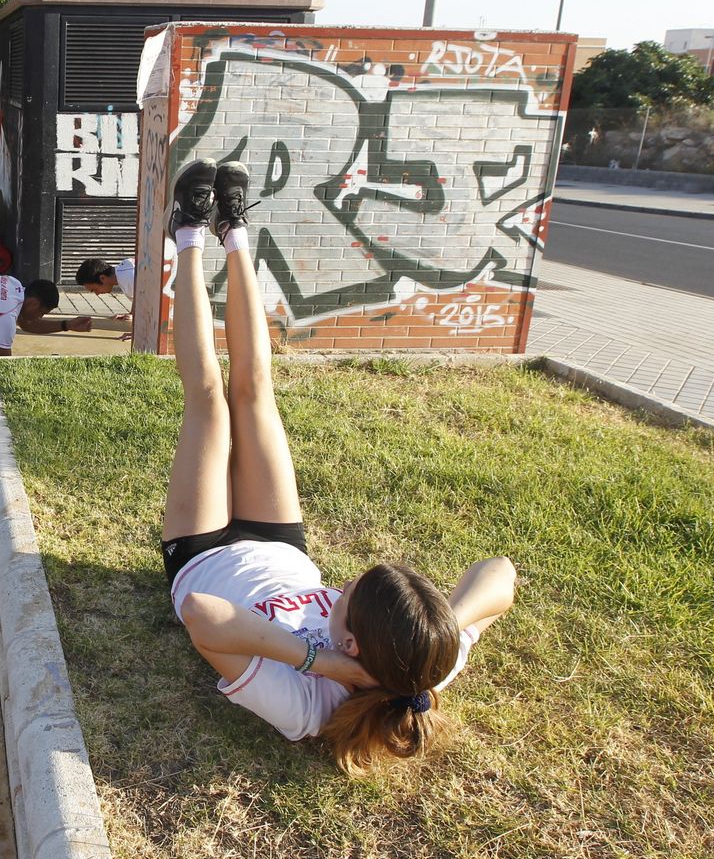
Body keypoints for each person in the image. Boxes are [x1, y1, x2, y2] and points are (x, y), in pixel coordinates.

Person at [158, 158, 516, 774]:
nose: (339, 588)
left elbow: (203, 617)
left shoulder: (307, 708)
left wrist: (319, 661)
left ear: (349, 644)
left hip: (203, 558)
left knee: (211, 401)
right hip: (280, 546)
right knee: (256, 390)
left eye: (345, 595)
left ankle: (186, 235)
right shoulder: (419, 658)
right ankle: (232, 230)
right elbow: (500, 574)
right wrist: (439, 632)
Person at [76, 256, 136, 340]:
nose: (97, 294)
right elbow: (140, 296)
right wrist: (132, 313)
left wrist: (137, 333)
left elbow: (152, 303)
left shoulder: (129, 279)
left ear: (102, 278)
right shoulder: (124, 271)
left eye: (95, 289)